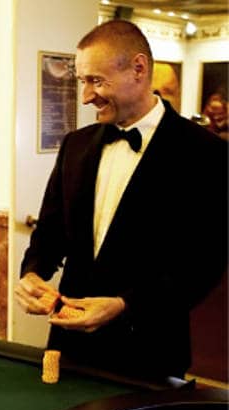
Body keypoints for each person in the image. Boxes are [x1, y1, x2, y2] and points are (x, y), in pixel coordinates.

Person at [15, 20, 227, 381]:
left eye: (96, 81)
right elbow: (50, 232)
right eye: (82, 81)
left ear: (138, 69)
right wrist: (33, 272)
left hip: (149, 349)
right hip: (71, 345)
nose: (85, 96)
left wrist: (124, 305)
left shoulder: (207, 153)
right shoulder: (75, 144)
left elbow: (203, 264)